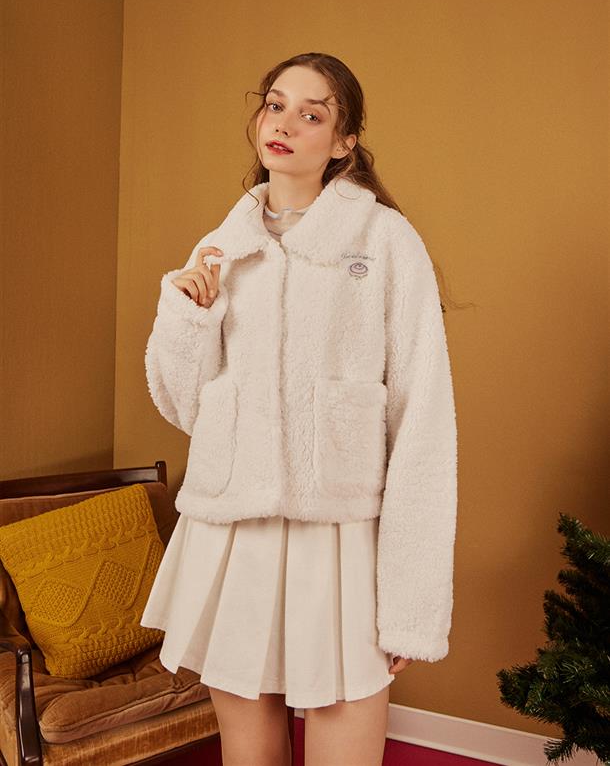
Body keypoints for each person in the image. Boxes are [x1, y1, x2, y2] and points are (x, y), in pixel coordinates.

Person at [140, 52, 458, 766]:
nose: (284, 124)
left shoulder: (385, 242)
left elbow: (424, 421)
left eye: (311, 114)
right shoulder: (222, 247)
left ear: (344, 142)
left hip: (337, 542)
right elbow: (186, 409)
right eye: (275, 104)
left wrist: (410, 602)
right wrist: (189, 318)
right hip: (233, 535)